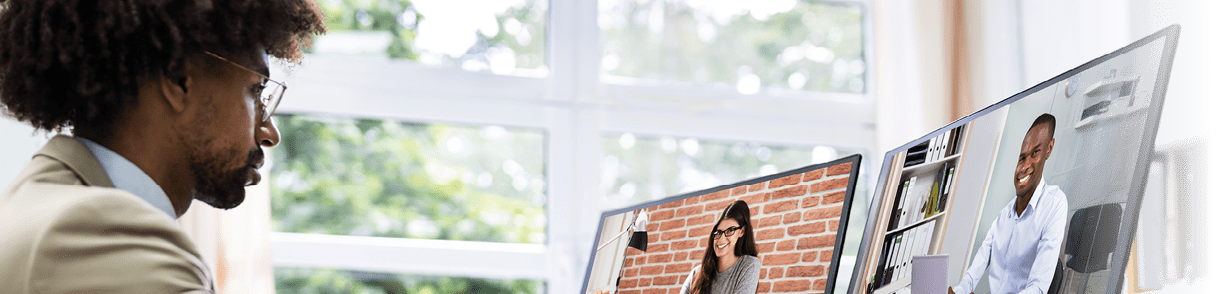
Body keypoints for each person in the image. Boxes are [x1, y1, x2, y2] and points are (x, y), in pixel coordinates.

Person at [0, 0, 325, 292]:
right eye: (257, 91)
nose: (269, 132)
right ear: (178, 80)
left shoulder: (39, 198)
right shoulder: (100, 235)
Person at [950, 113, 1069, 294]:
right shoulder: (1003, 216)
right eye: (1022, 158)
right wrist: (959, 291)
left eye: (1035, 153)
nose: (1024, 167)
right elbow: (975, 270)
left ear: (1049, 148)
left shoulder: (1055, 204)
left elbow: (1038, 288)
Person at [681, 200, 761, 294]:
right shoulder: (697, 273)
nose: (721, 239)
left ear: (741, 231)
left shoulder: (749, 265)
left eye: (730, 230)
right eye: (718, 232)